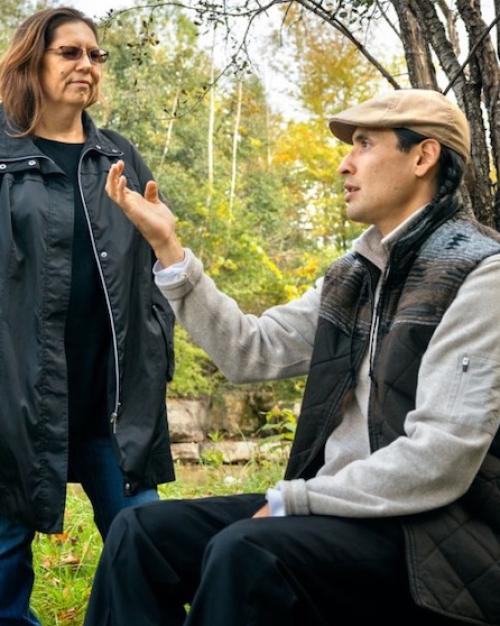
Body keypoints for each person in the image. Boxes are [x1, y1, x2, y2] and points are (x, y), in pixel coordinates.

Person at [85, 89, 500, 626]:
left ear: (423, 157)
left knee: (247, 553)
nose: (345, 163)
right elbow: (250, 351)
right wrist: (169, 248)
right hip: (342, 512)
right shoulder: (353, 276)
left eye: (365, 144)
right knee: (141, 534)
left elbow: (440, 455)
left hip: (434, 537)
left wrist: (294, 500)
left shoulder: (480, 274)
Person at [0, 7, 176, 625]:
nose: (87, 66)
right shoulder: (0, 155)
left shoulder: (117, 157)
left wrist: (156, 344)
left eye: (96, 55)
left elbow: (161, 260)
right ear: (33, 61)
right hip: (12, 400)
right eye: (70, 53)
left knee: (147, 541)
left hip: (110, 397)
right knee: (2, 564)